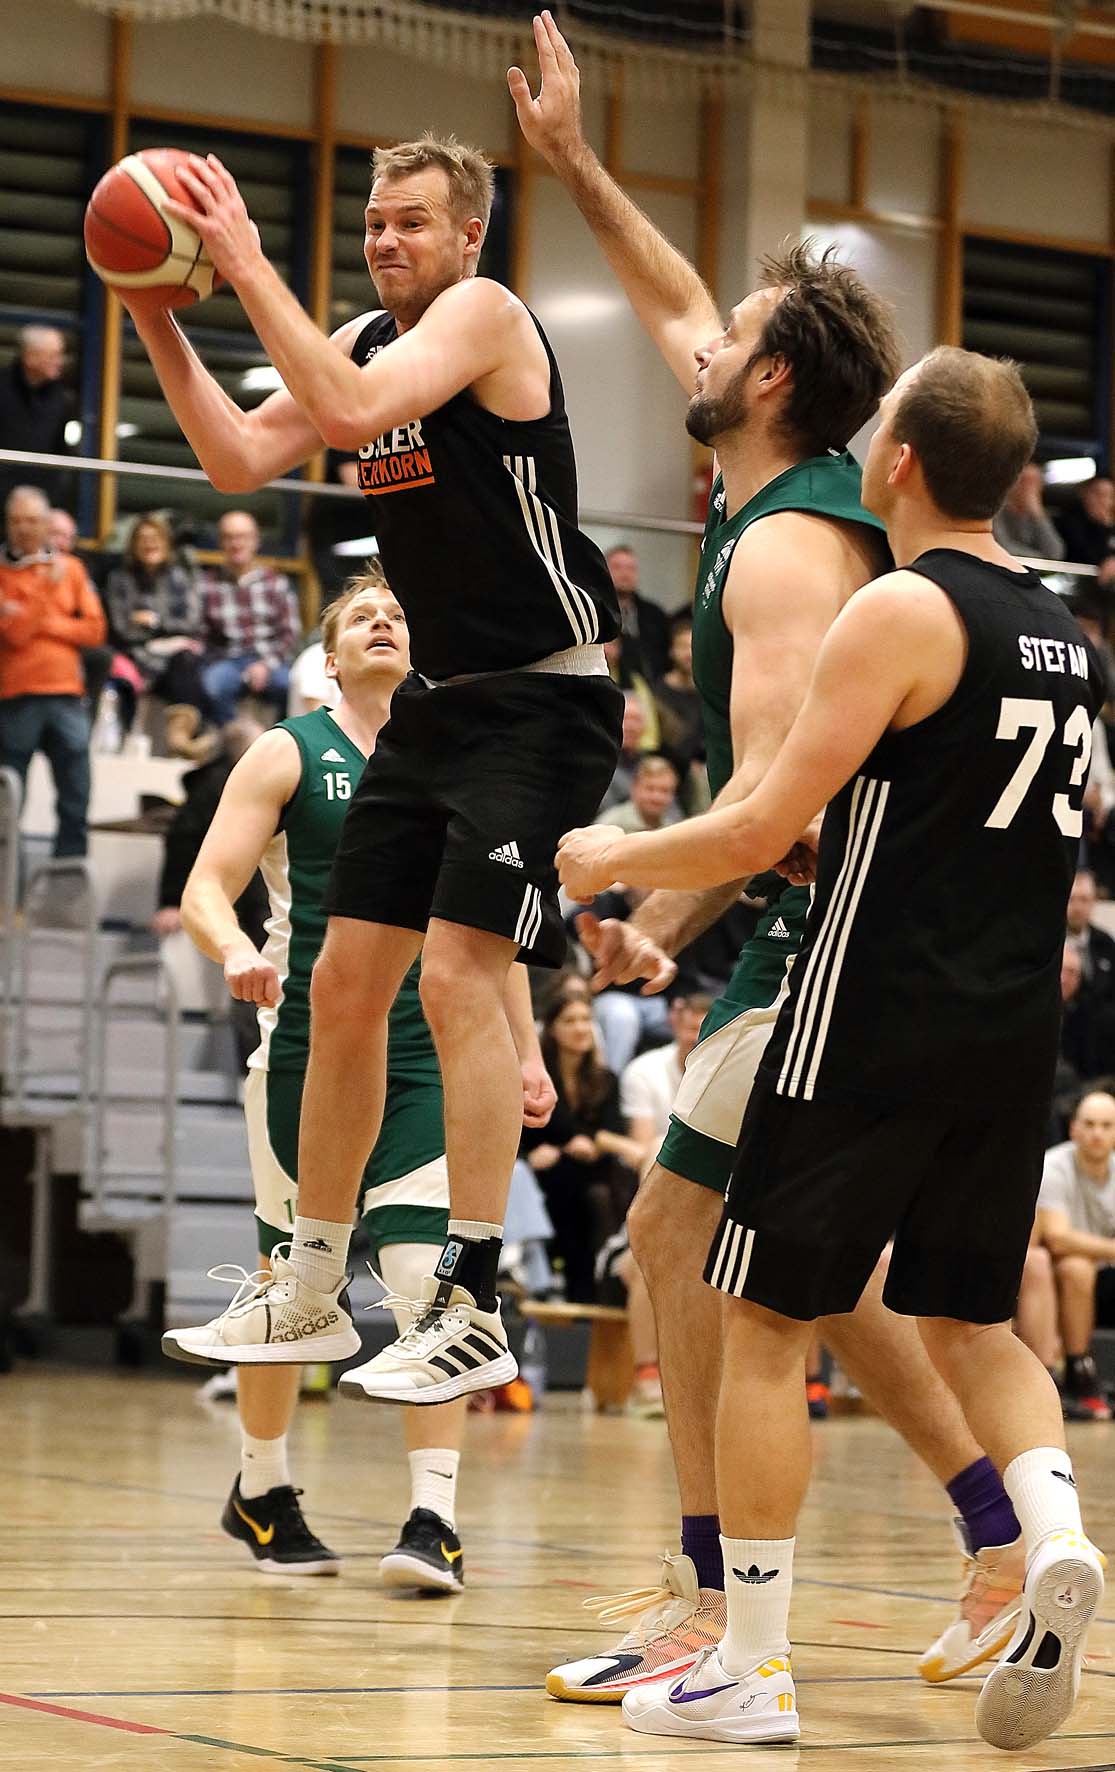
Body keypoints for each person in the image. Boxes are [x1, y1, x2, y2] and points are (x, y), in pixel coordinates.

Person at [514, 11, 1030, 1714]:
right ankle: (989, 1538)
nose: (700, 339)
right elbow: (674, 291)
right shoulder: (774, 465)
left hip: (825, 934)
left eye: (732, 337)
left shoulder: (790, 555)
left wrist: (635, 890)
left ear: (771, 382)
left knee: (688, 1236)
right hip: (816, 935)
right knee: (790, 1263)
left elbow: (781, 808)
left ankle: (721, 1609)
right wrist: (575, 161)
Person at [558, 345, 1106, 1750]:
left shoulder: (898, 608)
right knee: (973, 1323)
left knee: (757, 1321)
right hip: (1009, 1035)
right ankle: (1049, 1533)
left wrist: (614, 856)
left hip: (865, 1013)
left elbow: (757, 825)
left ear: (899, 462)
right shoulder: (1069, 640)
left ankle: (746, 1662)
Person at [111, 125, 619, 1397]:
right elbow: (238, 455)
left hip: (544, 700)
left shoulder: (487, 318)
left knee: (454, 974)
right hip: (440, 708)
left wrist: (240, 257)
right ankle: (307, 1285)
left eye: (411, 221)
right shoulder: (360, 340)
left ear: (467, 235)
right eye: (374, 222)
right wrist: (154, 311)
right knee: (341, 984)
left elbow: (343, 413)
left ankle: (470, 1295)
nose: (385, 240)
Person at [164, 567, 545, 1589]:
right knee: (293, 1287)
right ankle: (262, 1485)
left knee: (431, 1281)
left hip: (429, 1053)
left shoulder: (459, 760)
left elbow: (490, 929)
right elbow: (206, 885)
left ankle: (433, 1516)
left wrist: (527, 1049)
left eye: (398, 613)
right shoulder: (289, 750)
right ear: (328, 660)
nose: (382, 621)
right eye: (360, 616)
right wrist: (234, 946)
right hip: (311, 1047)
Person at [0, 485, 105, 858]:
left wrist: (37, 619)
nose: (23, 528)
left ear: (46, 524)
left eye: (31, 520)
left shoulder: (72, 570)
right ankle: (6, 876)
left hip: (66, 694)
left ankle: (69, 871)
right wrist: (46, 587)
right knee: (8, 796)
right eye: (16, 521)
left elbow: (95, 631)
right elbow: (14, 635)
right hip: (16, 697)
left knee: (76, 791)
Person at [520, 991, 642, 1303]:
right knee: (568, 1188)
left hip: (592, 1171)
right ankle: (560, 1286)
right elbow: (525, 1130)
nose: (580, 1028)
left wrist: (590, 1144)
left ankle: (601, 1288)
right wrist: (533, 1155)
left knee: (601, 1193)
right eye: (570, 1021)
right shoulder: (536, 1080)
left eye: (586, 1020)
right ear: (552, 1029)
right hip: (544, 1172)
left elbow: (611, 1132)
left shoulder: (605, 1079)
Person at [1035, 1089, 1115, 1422]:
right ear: (1074, 1129)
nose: (1097, 1133)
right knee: (1076, 1267)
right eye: (1090, 1124)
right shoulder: (1053, 1166)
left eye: (1107, 1126)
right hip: (1055, 1269)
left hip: (1105, 1268)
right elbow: (1057, 1238)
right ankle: (1080, 1371)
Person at [102, 513, 207, 748]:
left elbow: (192, 623)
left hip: (173, 654)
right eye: (143, 538)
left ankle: (182, 736)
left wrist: (155, 622)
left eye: (156, 537)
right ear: (133, 545)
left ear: (167, 543)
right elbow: (122, 629)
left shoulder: (179, 577)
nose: (150, 543)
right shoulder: (119, 579)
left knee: (186, 660)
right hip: (135, 653)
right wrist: (161, 638)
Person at [199, 511, 301, 724]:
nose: (236, 544)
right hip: (226, 660)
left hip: (269, 658)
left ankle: (281, 741)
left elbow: (290, 634)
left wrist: (266, 665)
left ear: (256, 541)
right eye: (229, 537)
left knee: (288, 686)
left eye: (242, 537)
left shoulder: (277, 583)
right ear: (220, 543)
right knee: (212, 685)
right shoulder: (206, 584)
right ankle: (232, 740)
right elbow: (201, 635)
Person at [0, 327, 73, 509]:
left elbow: (60, 449)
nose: (60, 362)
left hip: (40, 499)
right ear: (30, 356)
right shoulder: (3, 386)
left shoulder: (61, 398)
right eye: (54, 355)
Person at [606, 544, 673, 681]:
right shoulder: (593, 612)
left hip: (652, 686)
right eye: (617, 567)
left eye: (631, 568)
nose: (625, 574)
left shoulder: (655, 615)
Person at [993, 463, 1064, 562]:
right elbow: (1003, 547)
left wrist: (1037, 514)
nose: (1028, 489)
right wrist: (1042, 559)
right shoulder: (995, 512)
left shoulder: (1042, 514)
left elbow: (1055, 553)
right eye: (1024, 481)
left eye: (1034, 483)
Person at [596, 753, 680, 834]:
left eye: (664, 791)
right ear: (634, 788)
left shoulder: (672, 829)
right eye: (650, 789)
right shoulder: (609, 825)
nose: (656, 797)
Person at [1065, 866, 1115, 999]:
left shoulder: (1106, 943)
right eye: (1071, 899)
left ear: (1094, 901)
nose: (1077, 907)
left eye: (1084, 899)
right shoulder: (1050, 943)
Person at [1056, 474, 1115, 568]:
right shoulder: (1069, 521)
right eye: (1097, 494)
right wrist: (1101, 526)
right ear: (1084, 494)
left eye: (1108, 496)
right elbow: (1087, 556)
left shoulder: (1110, 525)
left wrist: (1107, 525)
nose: (1102, 500)